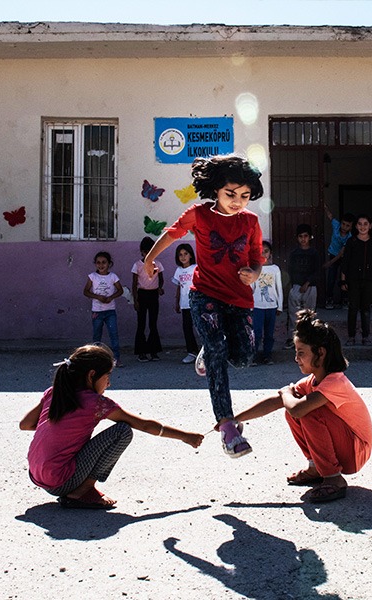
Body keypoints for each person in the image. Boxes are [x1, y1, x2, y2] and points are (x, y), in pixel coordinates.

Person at [142, 154, 264, 458]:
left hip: (239, 299)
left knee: (244, 359)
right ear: (216, 190)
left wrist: (255, 273)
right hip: (205, 294)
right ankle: (227, 428)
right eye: (230, 194)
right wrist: (149, 258)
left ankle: (206, 351)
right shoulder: (199, 214)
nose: (238, 201)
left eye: (245, 196)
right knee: (218, 350)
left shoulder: (251, 221)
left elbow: (257, 257)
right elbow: (172, 232)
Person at [19, 344, 203, 509]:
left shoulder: (54, 392)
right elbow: (145, 426)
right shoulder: (96, 403)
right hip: (61, 481)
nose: (109, 383)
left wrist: (62, 428)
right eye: (107, 376)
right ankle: (83, 490)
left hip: (37, 475)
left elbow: (25, 424)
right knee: (122, 431)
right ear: (92, 375)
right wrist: (186, 436)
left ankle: (78, 488)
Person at [233, 309, 372, 503]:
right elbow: (277, 401)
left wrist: (286, 393)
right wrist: (235, 419)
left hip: (356, 451)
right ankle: (317, 467)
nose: (296, 358)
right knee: (295, 409)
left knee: (304, 411)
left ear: (320, 353)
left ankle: (334, 479)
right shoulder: (312, 381)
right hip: (347, 447)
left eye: (301, 353)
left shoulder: (335, 382)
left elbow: (297, 408)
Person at [339, 215, 372, 346]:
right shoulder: (351, 242)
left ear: (370, 226)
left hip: (370, 279)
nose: (362, 226)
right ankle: (351, 336)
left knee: (366, 308)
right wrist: (343, 280)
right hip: (353, 280)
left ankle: (365, 336)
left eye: (365, 224)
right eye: (360, 224)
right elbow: (345, 262)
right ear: (356, 226)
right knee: (353, 308)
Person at [284, 223, 322, 349]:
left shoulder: (314, 253)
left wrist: (307, 283)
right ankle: (292, 338)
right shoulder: (294, 253)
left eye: (306, 236)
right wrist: (292, 285)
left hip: (310, 287)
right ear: (297, 238)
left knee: (309, 313)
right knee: (293, 313)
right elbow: (290, 270)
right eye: (300, 236)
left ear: (310, 237)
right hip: (296, 286)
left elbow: (317, 271)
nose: (303, 239)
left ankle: (308, 339)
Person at [83, 251, 124, 366]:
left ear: (109, 263)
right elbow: (85, 291)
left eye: (104, 262)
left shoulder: (113, 277)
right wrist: (97, 297)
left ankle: (116, 358)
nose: (101, 265)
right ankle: (96, 358)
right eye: (98, 263)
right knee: (97, 335)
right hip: (97, 311)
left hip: (110, 311)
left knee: (113, 334)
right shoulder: (92, 277)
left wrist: (111, 297)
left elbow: (120, 290)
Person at [132, 236, 164, 362]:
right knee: (141, 324)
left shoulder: (158, 264)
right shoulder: (137, 265)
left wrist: (160, 288)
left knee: (153, 323)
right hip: (142, 295)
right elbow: (134, 284)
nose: (148, 255)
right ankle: (141, 352)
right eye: (146, 252)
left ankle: (153, 351)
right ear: (142, 252)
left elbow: (161, 279)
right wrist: (135, 300)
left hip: (153, 295)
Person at [251, 240, 283, 365]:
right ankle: (253, 356)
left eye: (266, 251)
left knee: (269, 333)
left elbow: (278, 288)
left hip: (271, 306)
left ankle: (267, 356)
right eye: (261, 252)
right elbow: (251, 287)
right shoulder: (254, 268)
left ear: (270, 253)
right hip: (257, 306)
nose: (263, 254)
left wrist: (279, 306)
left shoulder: (275, 269)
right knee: (257, 332)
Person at [171, 243, 201, 365]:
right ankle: (192, 352)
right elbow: (179, 287)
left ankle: (206, 352)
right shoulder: (178, 271)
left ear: (190, 255)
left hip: (197, 303)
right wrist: (177, 302)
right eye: (180, 255)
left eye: (185, 254)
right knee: (187, 328)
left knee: (201, 328)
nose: (183, 257)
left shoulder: (196, 268)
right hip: (184, 304)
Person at [322, 203, 354, 309]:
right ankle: (329, 299)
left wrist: (329, 263)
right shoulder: (336, 225)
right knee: (331, 278)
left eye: (348, 225)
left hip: (343, 257)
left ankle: (345, 300)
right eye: (343, 224)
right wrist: (325, 207)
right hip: (332, 254)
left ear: (351, 227)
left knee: (344, 278)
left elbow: (341, 254)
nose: (344, 227)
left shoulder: (349, 237)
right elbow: (330, 216)